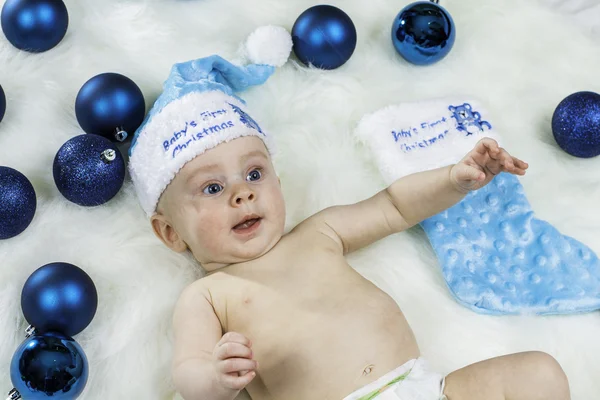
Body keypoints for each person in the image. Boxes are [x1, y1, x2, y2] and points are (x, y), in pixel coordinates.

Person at [128, 55, 571, 400]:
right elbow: (188, 372)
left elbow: (396, 206)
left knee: (539, 372)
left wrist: (453, 179)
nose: (241, 194)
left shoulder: (319, 233)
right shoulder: (207, 295)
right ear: (170, 232)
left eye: (255, 174)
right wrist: (215, 377)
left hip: (430, 389)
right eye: (211, 188)